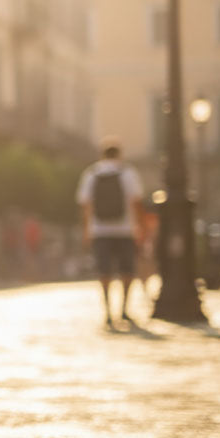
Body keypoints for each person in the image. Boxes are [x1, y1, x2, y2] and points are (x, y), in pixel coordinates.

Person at [76, 140, 145, 328]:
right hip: (126, 230)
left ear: (102, 155)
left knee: (104, 271)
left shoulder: (91, 173)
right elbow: (136, 201)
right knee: (127, 270)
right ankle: (123, 309)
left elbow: (85, 205)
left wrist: (86, 230)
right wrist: (141, 227)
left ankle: (107, 311)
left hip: (99, 231)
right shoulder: (128, 173)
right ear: (119, 154)